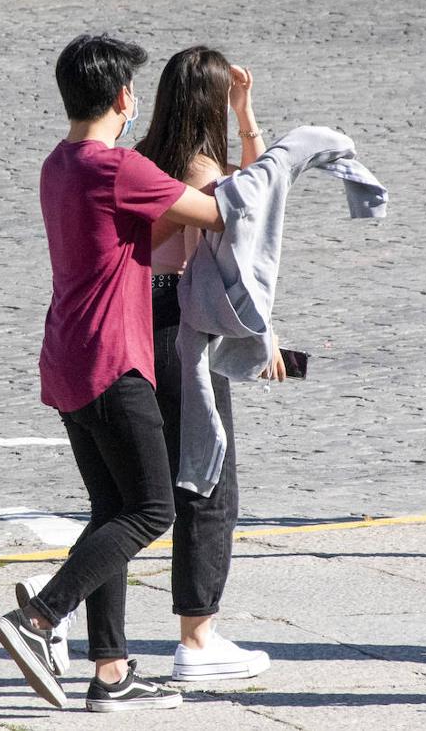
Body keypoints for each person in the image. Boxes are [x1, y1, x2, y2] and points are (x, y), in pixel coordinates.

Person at [0, 34, 227, 713]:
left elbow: (133, 241)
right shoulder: (116, 167)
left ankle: (110, 671)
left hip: (66, 357)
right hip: (113, 360)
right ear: (124, 97)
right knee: (151, 508)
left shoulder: (58, 164)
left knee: (111, 510)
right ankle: (38, 618)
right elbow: (214, 212)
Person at [133, 46, 279, 681]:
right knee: (208, 483)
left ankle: (66, 613)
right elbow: (251, 209)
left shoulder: (140, 158)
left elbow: (246, 179)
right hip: (184, 330)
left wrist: (245, 119)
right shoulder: (197, 172)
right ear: (211, 103)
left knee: (136, 488)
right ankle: (197, 639)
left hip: (137, 319)